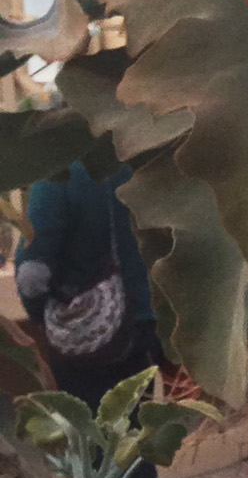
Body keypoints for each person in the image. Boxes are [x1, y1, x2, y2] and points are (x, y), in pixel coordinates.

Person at [15, 160, 160, 411]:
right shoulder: (137, 162)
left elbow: (31, 276)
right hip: (144, 320)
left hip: (84, 336)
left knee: (91, 432)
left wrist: (42, 315)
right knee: (132, 428)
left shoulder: (57, 177)